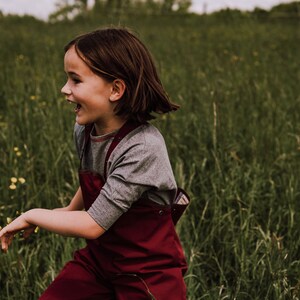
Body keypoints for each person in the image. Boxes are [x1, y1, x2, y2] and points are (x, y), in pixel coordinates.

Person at [0, 27, 189, 299]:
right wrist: (67, 210)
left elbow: (93, 224)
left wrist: (32, 214)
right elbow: (99, 182)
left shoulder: (142, 147)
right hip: (100, 262)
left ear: (115, 89)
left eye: (75, 80)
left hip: (147, 275)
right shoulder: (85, 130)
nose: (64, 89)